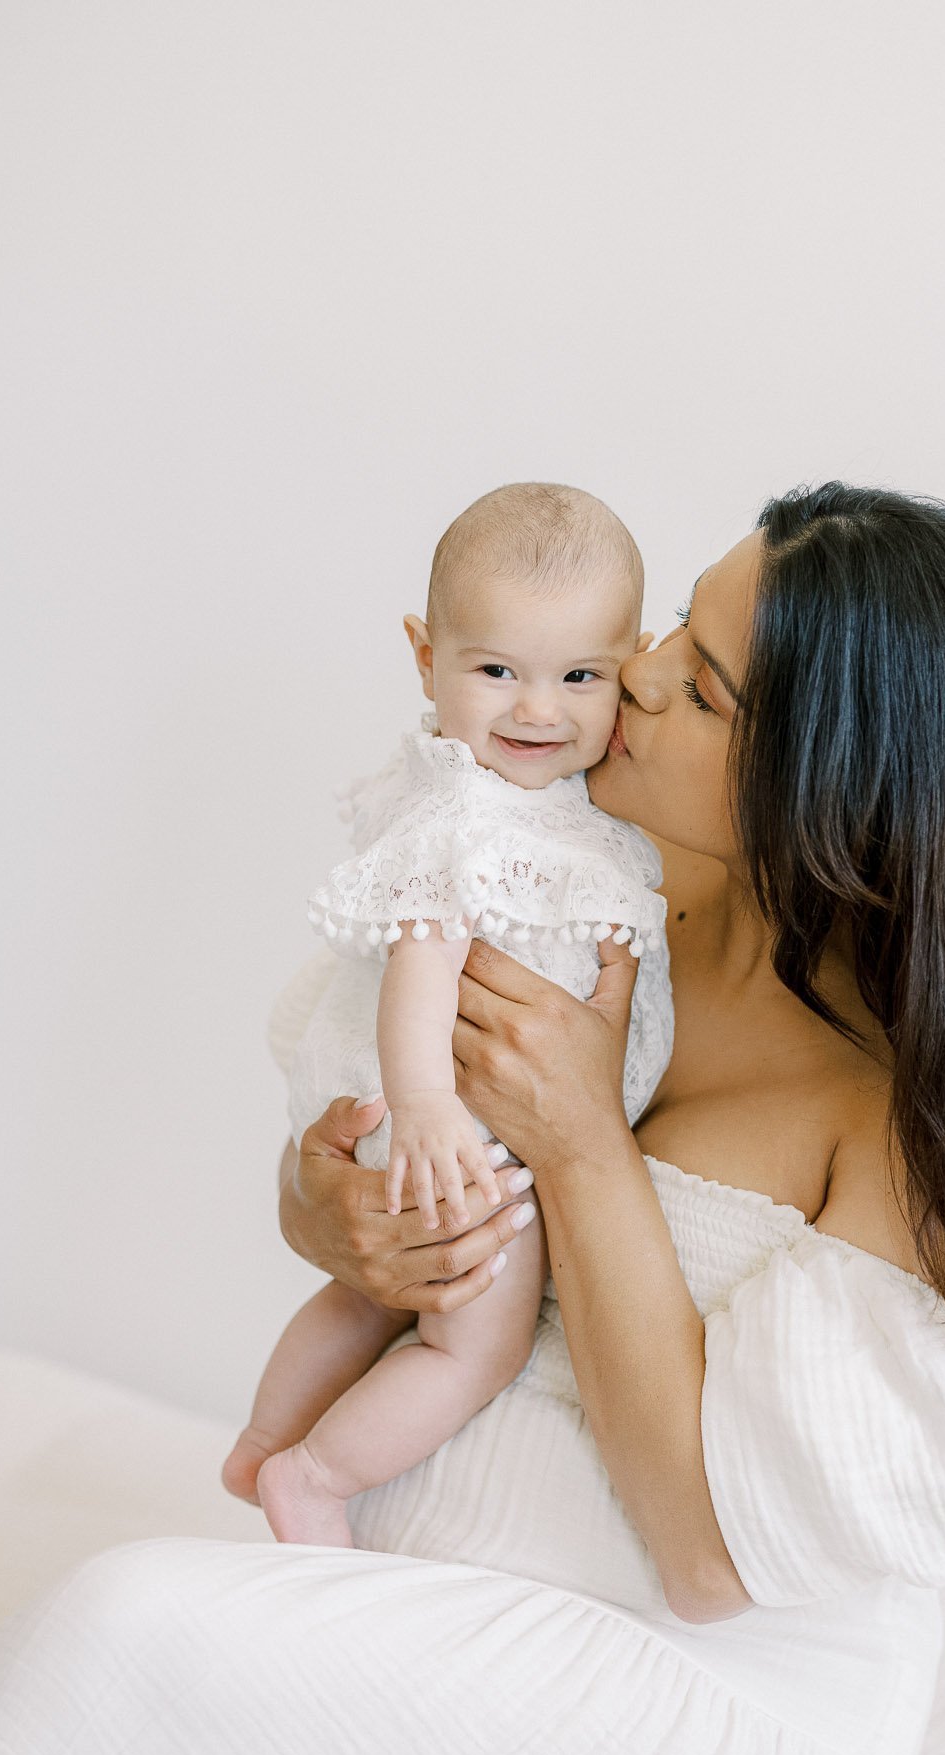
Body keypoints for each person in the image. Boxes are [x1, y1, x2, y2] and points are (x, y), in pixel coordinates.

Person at [0, 483, 945, 1755]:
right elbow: (371, 1089)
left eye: (703, 688)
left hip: (700, 1683)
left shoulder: (905, 1134)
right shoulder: (600, 878)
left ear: (843, 792)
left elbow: (709, 1563)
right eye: (672, 625)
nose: (637, 674)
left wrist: (586, 1140)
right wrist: (330, 1210)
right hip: (430, 1595)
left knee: (121, 1629)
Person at [220, 482, 673, 1549]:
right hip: (450, 1129)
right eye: (496, 670)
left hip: (427, 1111)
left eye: (580, 677)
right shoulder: (478, 814)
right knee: (474, 1343)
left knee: (371, 1296)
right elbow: (427, 953)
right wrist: (425, 1106)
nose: (537, 710)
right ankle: (315, 1477)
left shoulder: (528, 795)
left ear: (631, 665)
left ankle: (260, 1440)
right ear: (426, 657)